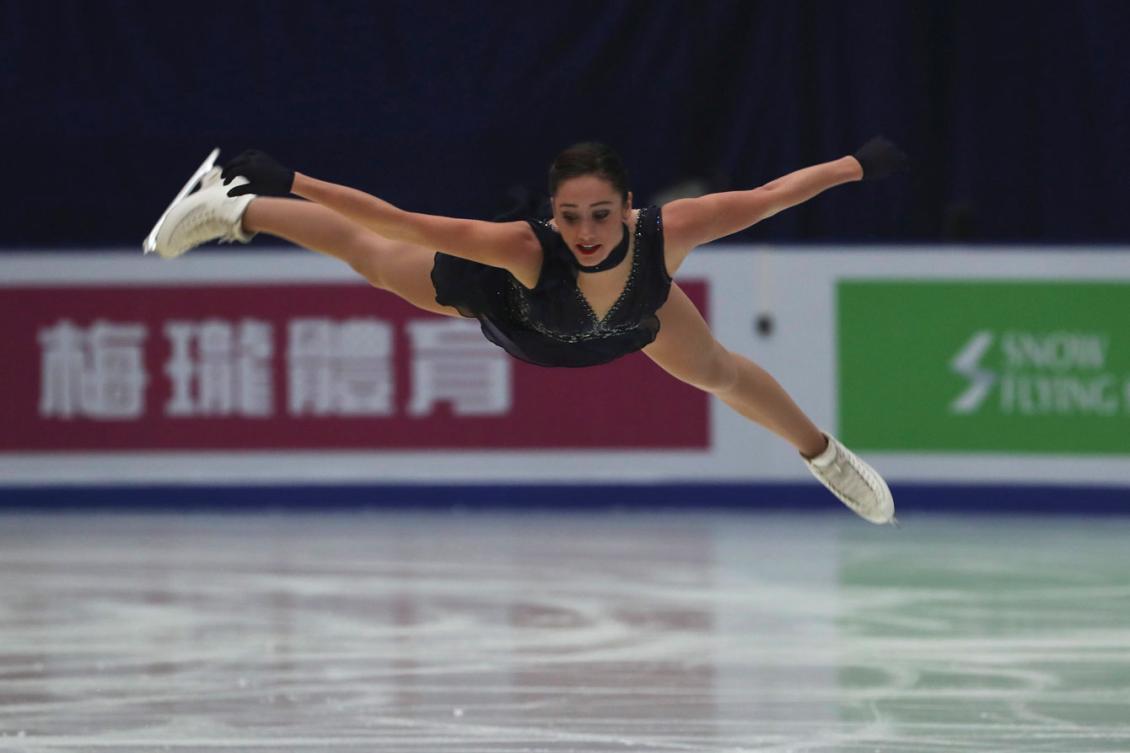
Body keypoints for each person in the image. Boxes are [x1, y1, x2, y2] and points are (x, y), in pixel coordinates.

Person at [146, 138, 908, 524]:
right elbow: (397, 222)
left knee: (720, 371)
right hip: (524, 315)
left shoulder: (669, 232)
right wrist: (294, 182)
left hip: (631, 317)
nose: (584, 229)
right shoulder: (521, 247)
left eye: (601, 214)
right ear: (552, 211)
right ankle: (234, 208)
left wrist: (856, 166)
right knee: (376, 258)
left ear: (629, 206)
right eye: (569, 215)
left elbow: (773, 194)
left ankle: (826, 455)